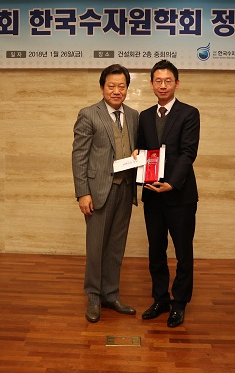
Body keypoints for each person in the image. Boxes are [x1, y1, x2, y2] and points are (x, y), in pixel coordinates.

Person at [72, 64, 139, 323]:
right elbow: (79, 156)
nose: (116, 91)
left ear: (127, 89)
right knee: (96, 247)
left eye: (121, 86)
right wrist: (82, 193)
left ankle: (111, 294)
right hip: (98, 191)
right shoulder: (89, 114)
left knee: (115, 246)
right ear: (102, 87)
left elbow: (136, 148)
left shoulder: (133, 115)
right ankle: (93, 296)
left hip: (125, 188)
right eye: (111, 86)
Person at [136, 59, 200, 328]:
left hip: (180, 195)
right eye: (158, 81)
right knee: (156, 250)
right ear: (152, 84)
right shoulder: (144, 116)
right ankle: (160, 299)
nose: (163, 85)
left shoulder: (189, 113)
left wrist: (172, 183)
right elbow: (142, 150)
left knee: (183, 252)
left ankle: (179, 303)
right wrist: (137, 159)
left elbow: (188, 153)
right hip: (153, 194)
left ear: (177, 83)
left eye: (168, 81)